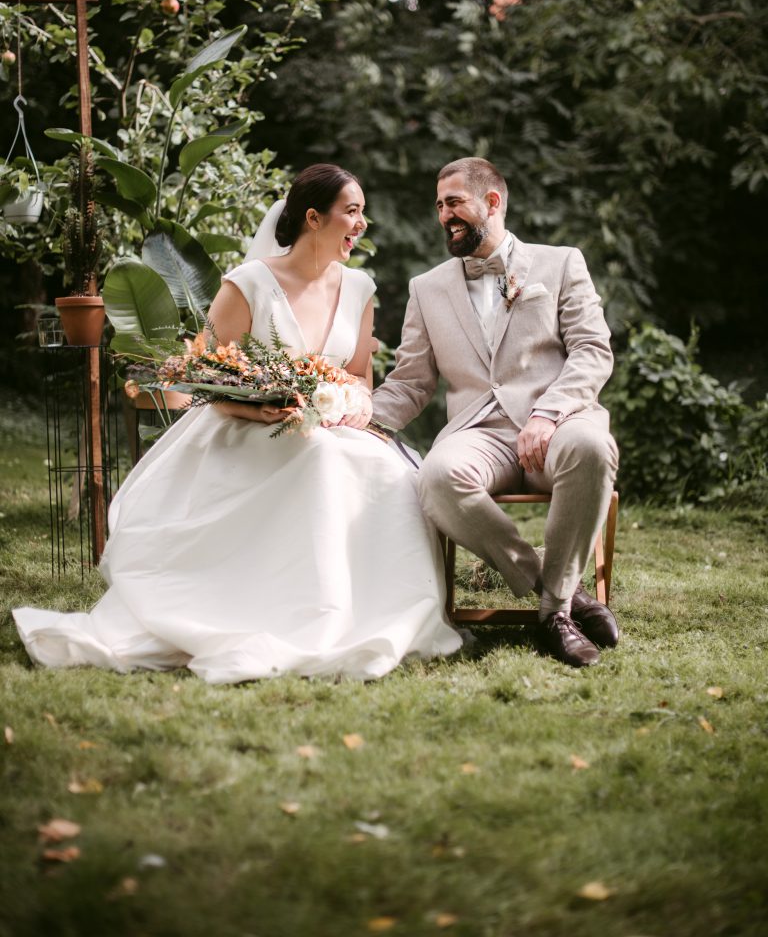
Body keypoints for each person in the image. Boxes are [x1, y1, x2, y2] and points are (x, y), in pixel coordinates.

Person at [13, 164, 462, 683]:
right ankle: (282, 613)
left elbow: (359, 377)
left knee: (386, 472)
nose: (362, 224)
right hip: (246, 427)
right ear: (314, 218)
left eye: (362, 212)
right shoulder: (250, 283)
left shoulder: (360, 288)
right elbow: (206, 377)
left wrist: (350, 402)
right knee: (319, 459)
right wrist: (258, 407)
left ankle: (364, 611)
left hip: (330, 428)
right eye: (352, 212)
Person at [371, 157, 620, 668]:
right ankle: (556, 591)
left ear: (492, 202)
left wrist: (548, 414)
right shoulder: (427, 288)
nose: (444, 215)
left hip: (559, 421)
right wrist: (359, 417)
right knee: (438, 476)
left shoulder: (561, 263)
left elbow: (593, 350)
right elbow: (412, 381)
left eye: (455, 202)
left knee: (593, 448)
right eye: (439, 206)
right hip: (478, 430)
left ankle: (553, 614)